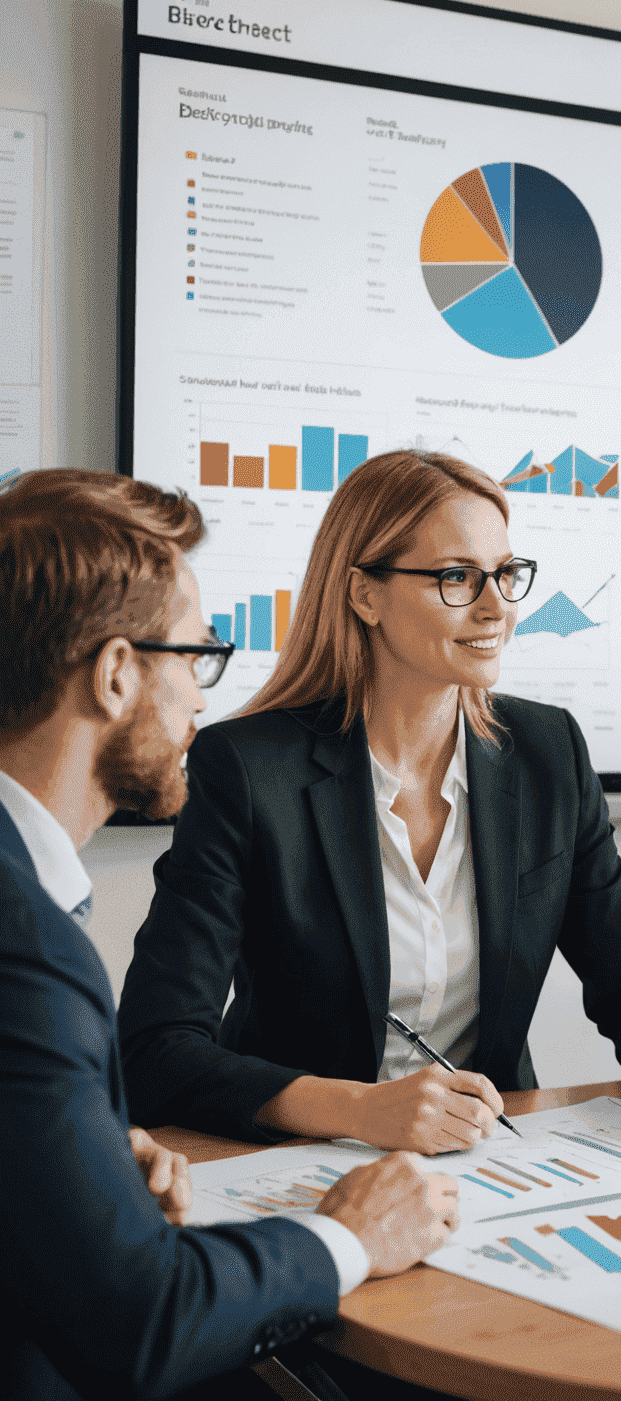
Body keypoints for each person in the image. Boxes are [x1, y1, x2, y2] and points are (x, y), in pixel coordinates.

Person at [119, 449, 621, 1152]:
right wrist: (358, 1111)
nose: (496, 607)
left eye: (506, 575)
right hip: (300, 1160)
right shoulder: (246, 769)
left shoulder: (547, 752)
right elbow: (157, 1048)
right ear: (365, 595)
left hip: (491, 1158)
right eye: (456, 577)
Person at [0, 468, 459, 1401]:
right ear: (117, 673)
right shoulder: (24, 948)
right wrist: (351, 1236)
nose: (205, 699)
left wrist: (76, 1176)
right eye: (196, 656)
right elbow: (141, 1326)